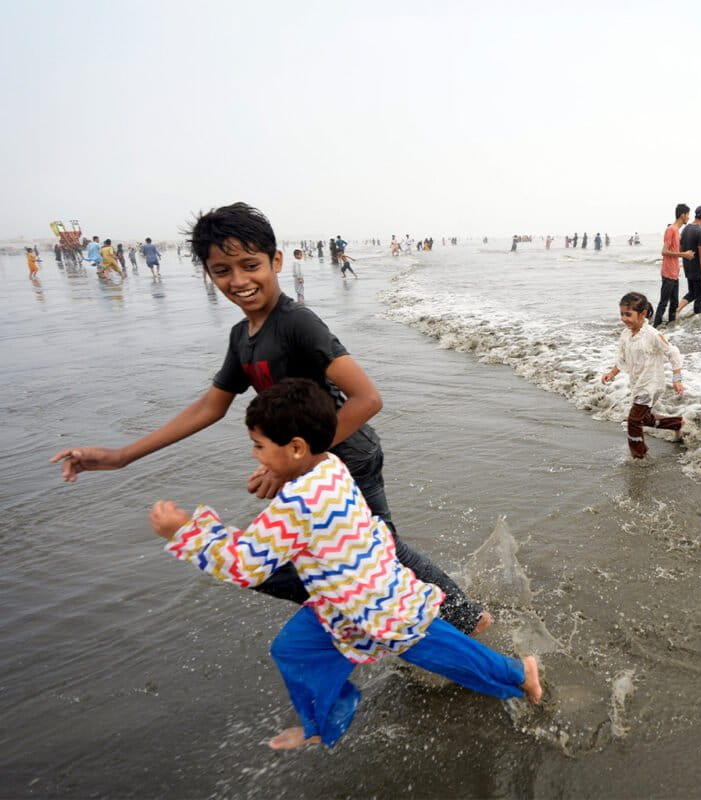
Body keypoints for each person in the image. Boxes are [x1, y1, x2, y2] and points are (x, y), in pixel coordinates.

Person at [51, 202, 491, 636]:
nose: (239, 280)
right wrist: (122, 456)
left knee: (377, 554)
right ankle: (391, 618)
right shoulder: (242, 337)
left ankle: (455, 621)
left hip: (347, 458)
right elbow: (210, 406)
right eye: (223, 271)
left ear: (275, 260)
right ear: (208, 273)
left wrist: (296, 464)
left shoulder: (297, 322)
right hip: (308, 465)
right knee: (341, 562)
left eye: (250, 264)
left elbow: (366, 398)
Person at [149, 378, 541, 750]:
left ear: (297, 448)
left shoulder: (298, 503)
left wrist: (186, 531)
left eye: (259, 446)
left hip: (378, 605)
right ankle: (322, 724)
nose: (255, 454)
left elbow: (247, 565)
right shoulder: (329, 465)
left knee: (442, 654)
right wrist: (277, 476)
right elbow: (276, 534)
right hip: (342, 600)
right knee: (293, 649)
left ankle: (520, 673)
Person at [601, 293, 684, 458]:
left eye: (628, 314)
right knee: (644, 419)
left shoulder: (651, 335)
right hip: (638, 383)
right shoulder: (626, 334)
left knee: (633, 420)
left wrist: (677, 379)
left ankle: (638, 455)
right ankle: (678, 423)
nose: (624, 318)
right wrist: (612, 373)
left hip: (651, 384)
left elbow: (673, 352)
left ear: (643, 314)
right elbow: (622, 358)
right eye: (622, 314)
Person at [653, 204, 694, 328]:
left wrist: (686, 254)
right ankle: (655, 327)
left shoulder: (677, 231)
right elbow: (664, 251)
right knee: (664, 302)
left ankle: (672, 329)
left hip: (675, 273)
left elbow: (675, 251)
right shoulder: (671, 229)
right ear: (682, 215)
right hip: (668, 272)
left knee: (674, 304)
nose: (688, 217)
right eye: (688, 214)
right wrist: (683, 254)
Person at [675, 206, 701, 317]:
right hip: (698, 270)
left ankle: (677, 310)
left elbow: (680, 249)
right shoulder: (700, 232)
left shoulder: (685, 229)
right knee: (699, 298)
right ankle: (697, 325)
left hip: (688, 268)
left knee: (692, 293)